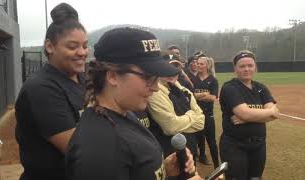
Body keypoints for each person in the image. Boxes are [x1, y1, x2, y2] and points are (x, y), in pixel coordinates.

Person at [66, 27, 203, 180]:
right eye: (148, 77)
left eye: (157, 78)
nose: (156, 87)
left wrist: (161, 170)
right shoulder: (100, 147)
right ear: (113, 76)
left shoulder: (122, 114)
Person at [15, 3, 88, 180]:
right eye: (72, 46)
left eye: (85, 46)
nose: (82, 52)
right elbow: (79, 151)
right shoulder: (41, 88)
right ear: (50, 46)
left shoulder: (83, 79)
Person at [219, 50, 279, 180]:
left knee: (256, 178)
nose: (247, 69)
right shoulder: (230, 88)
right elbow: (244, 113)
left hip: (259, 145)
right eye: (242, 66)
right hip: (235, 145)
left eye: (250, 65)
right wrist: (268, 112)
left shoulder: (261, 88)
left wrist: (247, 118)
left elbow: (275, 113)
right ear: (235, 68)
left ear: (255, 67)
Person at [147, 64, 205, 162]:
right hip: (169, 154)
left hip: (190, 150)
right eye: (167, 69)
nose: (171, 73)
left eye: (175, 69)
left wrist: (179, 122)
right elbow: (171, 127)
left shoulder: (185, 91)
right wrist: (191, 115)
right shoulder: (155, 93)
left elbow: (201, 123)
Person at [186, 56, 221, 169]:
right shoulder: (192, 80)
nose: (198, 65)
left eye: (201, 64)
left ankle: (217, 167)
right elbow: (189, 96)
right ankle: (194, 169)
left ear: (207, 66)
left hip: (208, 115)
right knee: (195, 143)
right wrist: (204, 95)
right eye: (198, 63)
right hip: (196, 116)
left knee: (211, 142)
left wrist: (197, 96)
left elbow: (213, 98)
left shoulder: (213, 80)